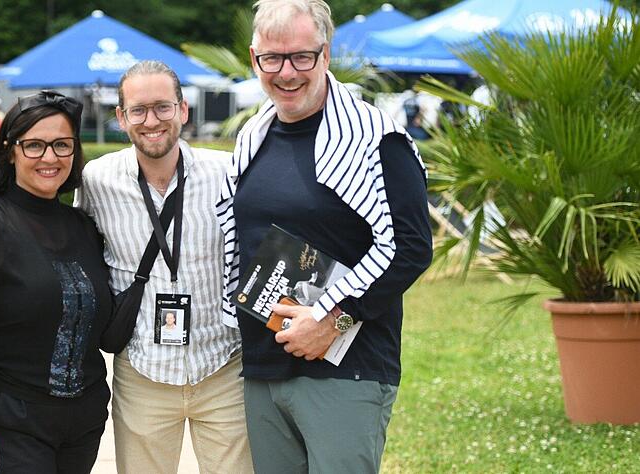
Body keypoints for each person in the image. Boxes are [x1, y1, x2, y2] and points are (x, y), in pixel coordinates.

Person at [216, 1, 433, 472]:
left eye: (301, 56)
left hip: (346, 370)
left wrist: (334, 320)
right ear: (254, 59)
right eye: (272, 58)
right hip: (264, 368)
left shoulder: (377, 138)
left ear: (326, 53)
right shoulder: (253, 136)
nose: (287, 72)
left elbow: (412, 246)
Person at [74, 60, 252, 474]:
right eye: (138, 110)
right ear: (121, 117)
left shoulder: (227, 173)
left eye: (162, 107)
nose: (151, 121)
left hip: (224, 365)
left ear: (183, 110)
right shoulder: (97, 180)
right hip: (142, 371)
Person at [0, 90, 113, 474]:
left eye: (62, 145)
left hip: (83, 424)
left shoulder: (85, 227)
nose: (50, 157)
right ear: (10, 151)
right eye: (34, 145)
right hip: (9, 422)